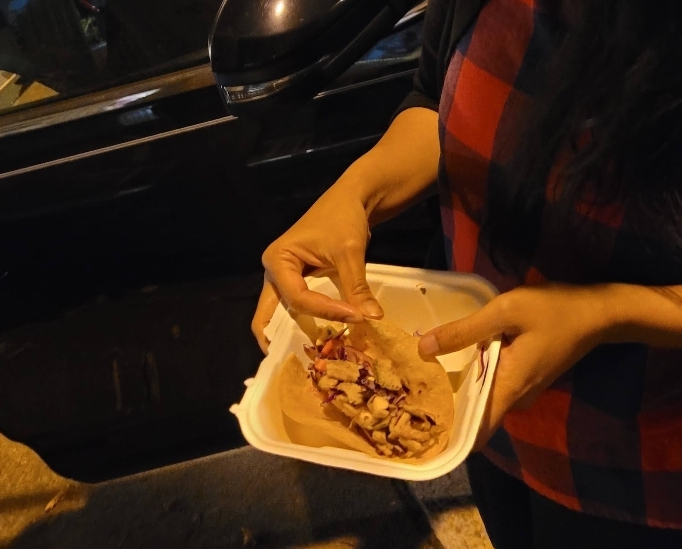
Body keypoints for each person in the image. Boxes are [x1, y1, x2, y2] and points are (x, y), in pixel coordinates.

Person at [252, 0, 682, 546]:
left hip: (634, 466)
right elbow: (436, 100)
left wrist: (606, 313)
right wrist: (357, 192)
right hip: (483, 410)